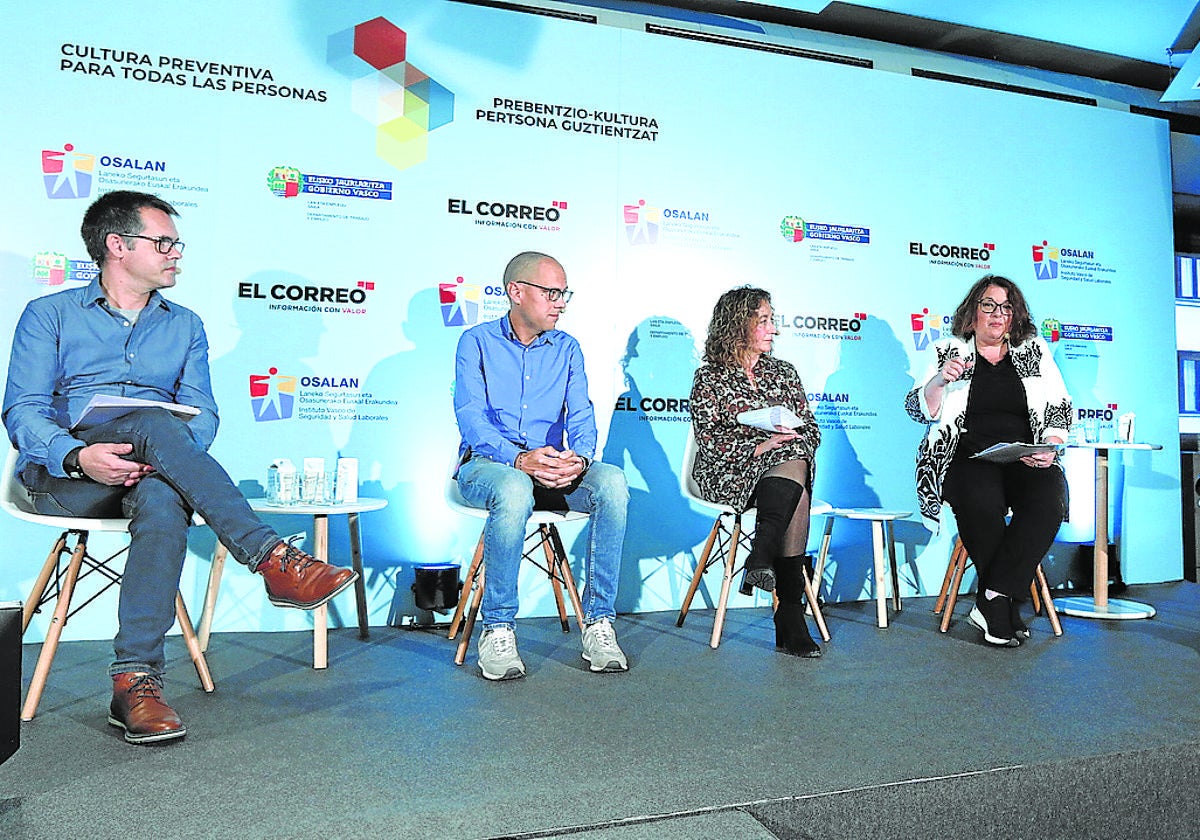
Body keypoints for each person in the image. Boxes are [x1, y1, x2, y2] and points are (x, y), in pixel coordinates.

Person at [2, 191, 357, 744]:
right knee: (151, 421)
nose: (175, 255)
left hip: (153, 472)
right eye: (163, 242)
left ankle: (134, 682)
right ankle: (270, 557)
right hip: (68, 475)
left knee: (164, 492)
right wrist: (78, 455)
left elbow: (203, 413)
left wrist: (160, 455)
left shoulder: (184, 325)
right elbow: (22, 409)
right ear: (117, 246)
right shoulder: (49, 314)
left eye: (176, 244)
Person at [453, 251, 630, 680]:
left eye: (563, 293)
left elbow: (582, 415)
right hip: (489, 466)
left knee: (612, 483)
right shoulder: (476, 342)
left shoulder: (567, 347)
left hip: (553, 466)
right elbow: (471, 418)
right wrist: (517, 459)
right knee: (514, 487)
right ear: (516, 292)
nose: (561, 303)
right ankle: (497, 629)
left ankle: (599, 622)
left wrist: (580, 458)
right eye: (552, 292)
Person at [905, 274, 1071, 647]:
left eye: (1007, 308)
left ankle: (992, 596)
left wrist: (1050, 444)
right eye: (989, 306)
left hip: (1022, 456)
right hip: (964, 455)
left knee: (1049, 499)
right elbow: (920, 409)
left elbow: (1059, 408)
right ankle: (1003, 602)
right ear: (973, 311)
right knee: (982, 501)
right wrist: (939, 382)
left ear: (1016, 316)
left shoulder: (1033, 351)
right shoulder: (948, 350)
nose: (998, 315)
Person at [689, 287, 823, 657]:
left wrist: (786, 436)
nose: (773, 329)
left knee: (796, 452)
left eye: (771, 319)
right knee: (796, 482)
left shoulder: (784, 372)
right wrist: (760, 446)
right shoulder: (710, 377)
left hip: (781, 473)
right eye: (763, 320)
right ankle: (788, 612)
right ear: (737, 324)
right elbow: (710, 440)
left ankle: (762, 557)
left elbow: (811, 430)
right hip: (728, 472)